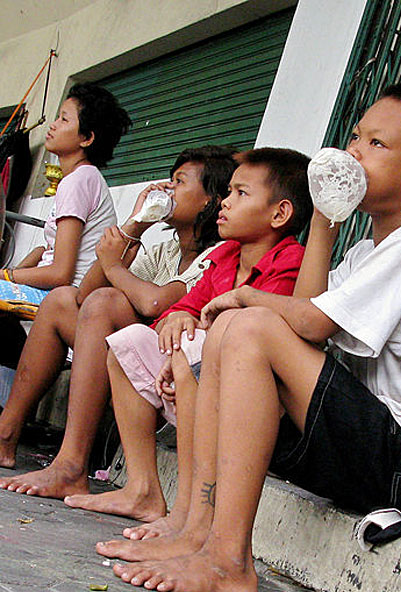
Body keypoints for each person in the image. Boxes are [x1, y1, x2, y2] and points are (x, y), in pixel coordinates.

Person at [101, 82, 401, 592]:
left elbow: (310, 323)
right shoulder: (363, 253)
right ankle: (196, 531)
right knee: (229, 332)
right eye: (355, 137)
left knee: (247, 324)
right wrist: (324, 220)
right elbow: (306, 315)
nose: (354, 152)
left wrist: (245, 297)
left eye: (376, 144)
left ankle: (228, 562)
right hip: (369, 451)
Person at [63, 148, 312, 534]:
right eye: (228, 192)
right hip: (196, 383)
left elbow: (250, 332)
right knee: (128, 341)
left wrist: (189, 331)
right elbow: (180, 310)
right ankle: (142, 489)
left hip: (252, 404)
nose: (225, 202)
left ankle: (188, 511)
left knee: (193, 350)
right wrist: (179, 316)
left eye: (240, 194)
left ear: (279, 214)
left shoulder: (291, 262)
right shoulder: (224, 257)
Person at [0, 146, 237, 499]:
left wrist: (113, 265)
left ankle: (72, 464)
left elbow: (155, 302)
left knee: (106, 303)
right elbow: (83, 295)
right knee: (61, 300)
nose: (166, 190)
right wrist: (134, 226)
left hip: (166, 367)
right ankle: (6, 432)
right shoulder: (165, 250)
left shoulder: (217, 253)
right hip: (124, 354)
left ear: (210, 201)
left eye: (179, 182)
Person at [0, 83, 131, 366]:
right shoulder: (85, 178)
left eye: (64, 119)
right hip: (58, 300)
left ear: (87, 138)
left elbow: (60, 272)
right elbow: (50, 252)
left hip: (61, 308)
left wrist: (7, 276)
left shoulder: (77, 181)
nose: (53, 125)